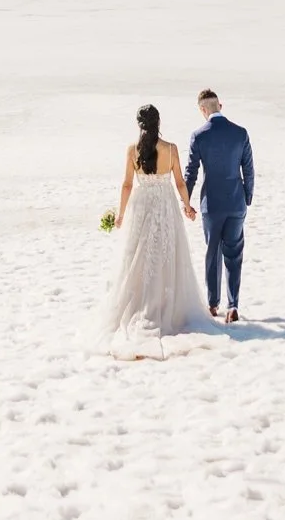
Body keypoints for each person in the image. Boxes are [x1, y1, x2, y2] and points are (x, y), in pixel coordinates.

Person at [91, 104, 213, 358]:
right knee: (165, 255)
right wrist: (187, 206)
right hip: (165, 206)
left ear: (139, 125)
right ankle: (164, 305)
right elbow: (180, 182)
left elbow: (127, 185)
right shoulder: (171, 149)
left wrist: (121, 215)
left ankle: (140, 304)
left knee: (138, 258)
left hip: (142, 206)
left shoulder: (132, 150)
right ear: (159, 122)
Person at [185, 88, 254, 321]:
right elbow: (249, 169)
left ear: (202, 110)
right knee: (234, 254)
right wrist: (247, 197)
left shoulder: (199, 136)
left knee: (212, 253)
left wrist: (186, 202)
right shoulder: (240, 133)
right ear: (220, 106)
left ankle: (213, 304)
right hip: (236, 203)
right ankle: (233, 305)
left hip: (212, 205)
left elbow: (191, 172)